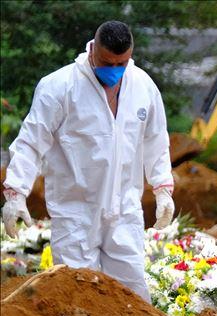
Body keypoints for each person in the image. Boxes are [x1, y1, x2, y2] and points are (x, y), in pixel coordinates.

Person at [2, 20, 174, 301]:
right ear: (93, 50)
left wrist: (163, 189)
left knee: (132, 297)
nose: (115, 70)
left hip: (124, 211)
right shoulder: (59, 87)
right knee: (79, 298)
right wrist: (16, 193)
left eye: (123, 63)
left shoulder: (143, 86)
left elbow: (156, 140)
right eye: (107, 62)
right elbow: (31, 141)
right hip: (75, 215)